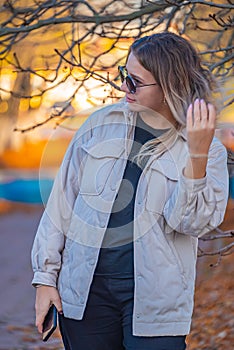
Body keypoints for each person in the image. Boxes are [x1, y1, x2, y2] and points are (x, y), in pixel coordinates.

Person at [31, 32, 229, 350]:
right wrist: (44, 278)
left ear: (169, 87)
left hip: (156, 304)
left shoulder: (208, 149)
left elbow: (191, 223)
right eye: (124, 75)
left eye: (135, 82)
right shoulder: (99, 125)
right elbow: (61, 205)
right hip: (85, 297)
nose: (124, 87)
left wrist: (196, 156)